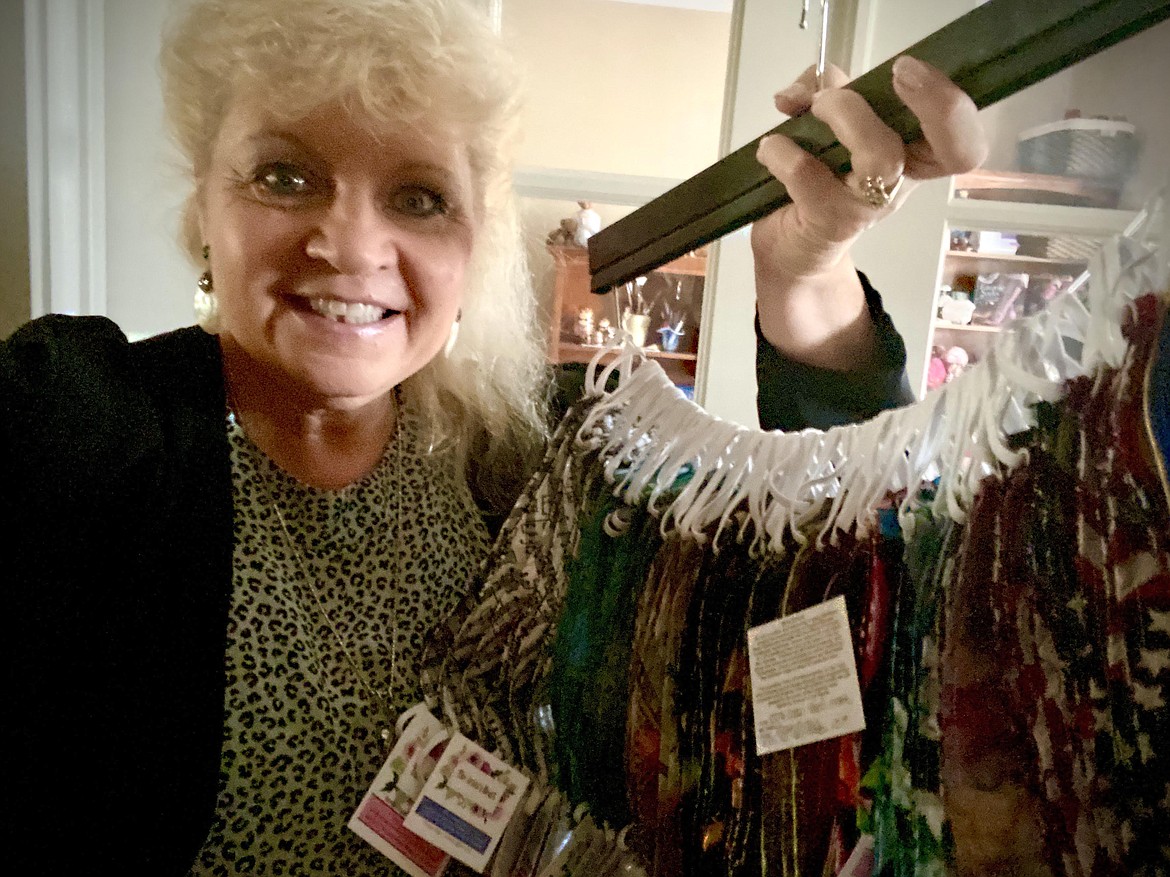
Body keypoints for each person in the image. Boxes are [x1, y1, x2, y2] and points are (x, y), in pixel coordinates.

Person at [0, 0, 985, 873]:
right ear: (203, 215)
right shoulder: (85, 428)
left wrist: (805, 279)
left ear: (472, 245)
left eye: (419, 196)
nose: (349, 243)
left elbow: (834, 562)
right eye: (284, 175)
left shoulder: (538, 459)